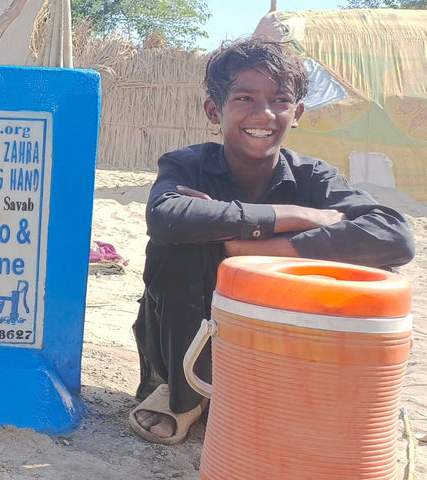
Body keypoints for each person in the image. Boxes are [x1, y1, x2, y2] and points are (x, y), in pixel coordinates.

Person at [130, 38, 415, 444]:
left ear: (296, 113)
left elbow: (394, 236)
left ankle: (284, 393)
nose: (263, 113)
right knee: (181, 247)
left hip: (277, 336)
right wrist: (294, 217)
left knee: (371, 263)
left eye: (280, 100)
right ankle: (186, 395)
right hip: (188, 334)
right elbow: (167, 219)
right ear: (215, 109)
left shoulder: (314, 176)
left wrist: (252, 249)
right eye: (245, 97)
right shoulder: (186, 164)